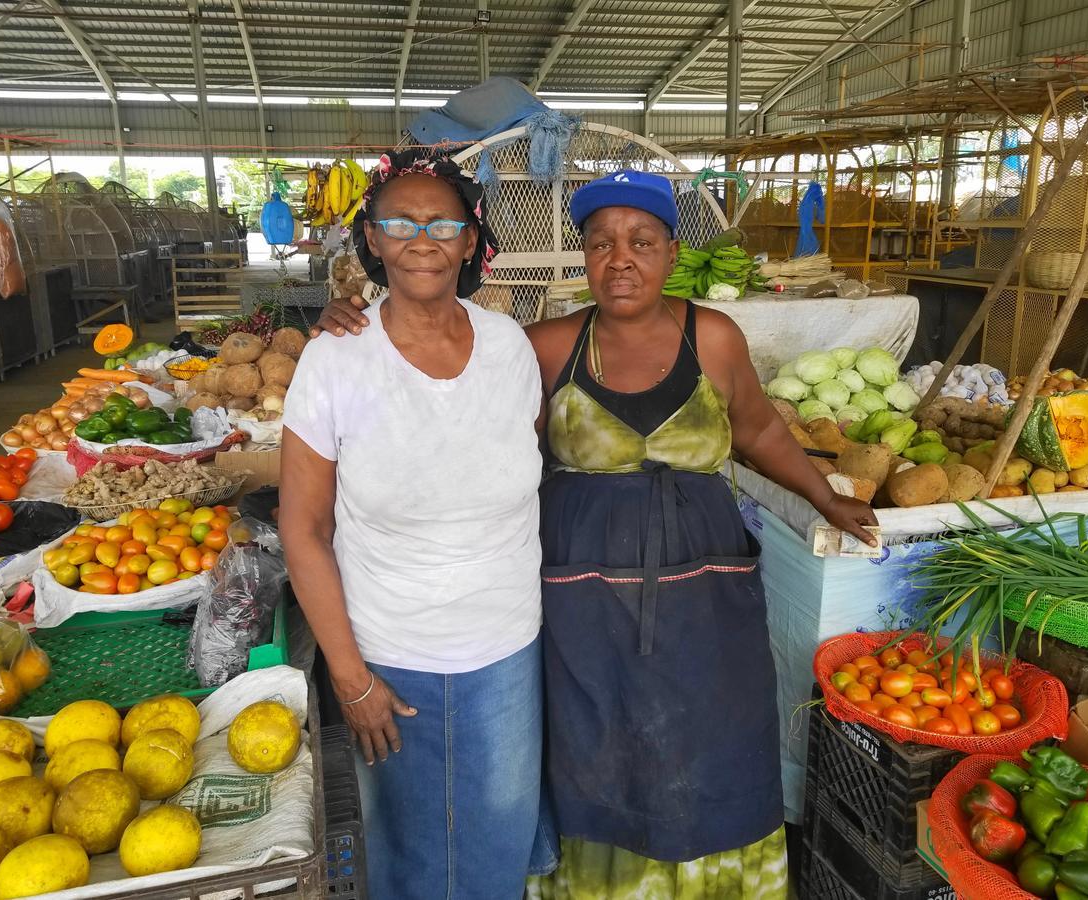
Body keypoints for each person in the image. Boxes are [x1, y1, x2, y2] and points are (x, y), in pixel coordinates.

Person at [315, 168, 878, 898]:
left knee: (713, 746)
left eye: (642, 241)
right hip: (584, 600)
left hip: (706, 596)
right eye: (601, 242)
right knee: (597, 749)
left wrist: (823, 496)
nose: (622, 259)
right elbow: (452, 384)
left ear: (672, 253)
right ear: (583, 257)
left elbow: (760, 427)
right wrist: (357, 315)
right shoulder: (544, 347)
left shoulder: (714, 338)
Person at [280, 150, 556, 899]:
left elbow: (522, 467)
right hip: (388, 659)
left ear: (471, 240)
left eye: (442, 223)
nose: (421, 238)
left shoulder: (509, 349)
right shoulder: (335, 361)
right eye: (399, 222)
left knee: (496, 844)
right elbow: (301, 529)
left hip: (506, 651)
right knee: (408, 858)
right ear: (371, 239)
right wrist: (350, 677)